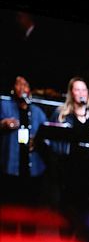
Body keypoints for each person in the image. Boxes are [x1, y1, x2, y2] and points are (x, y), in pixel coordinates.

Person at [50, 77, 89, 210]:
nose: (81, 93)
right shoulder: (61, 116)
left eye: (84, 90)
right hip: (68, 172)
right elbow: (51, 141)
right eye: (77, 89)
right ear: (71, 93)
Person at [0, 75, 48, 204]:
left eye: (25, 84)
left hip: (32, 168)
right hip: (10, 166)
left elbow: (48, 136)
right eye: (18, 84)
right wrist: (3, 124)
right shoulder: (4, 106)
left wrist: (37, 141)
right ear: (13, 88)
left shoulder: (37, 112)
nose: (22, 87)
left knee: (29, 208)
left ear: (30, 90)